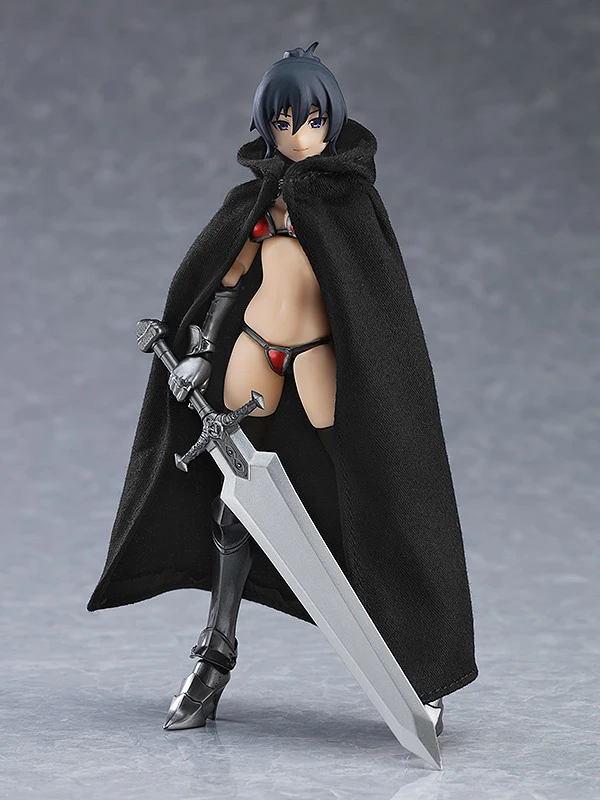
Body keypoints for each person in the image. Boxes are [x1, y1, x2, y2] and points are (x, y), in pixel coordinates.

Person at [88, 43, 478, 736]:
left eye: (314, 121)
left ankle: (414, 665)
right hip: (251, 354)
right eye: (285, 122)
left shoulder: (350, 205)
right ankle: (215, 653)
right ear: (267, 126)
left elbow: (373, 307)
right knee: (233, 503)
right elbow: (226, 281)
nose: (300, 136)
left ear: (333, 121)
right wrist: (200, 355)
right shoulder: (258, 205)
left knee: (367, 485)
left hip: (316, 359)